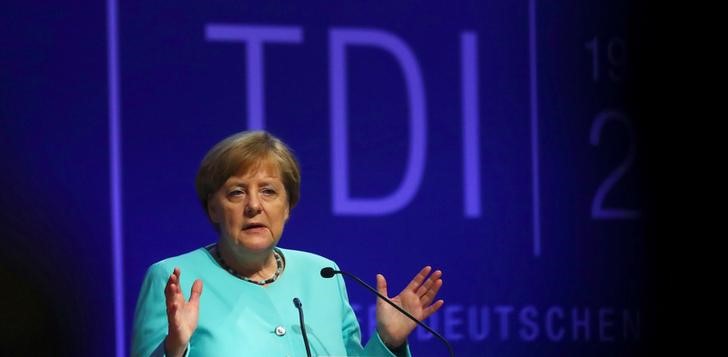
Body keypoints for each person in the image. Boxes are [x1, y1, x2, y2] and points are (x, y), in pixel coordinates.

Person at [131, 131, 444, 356]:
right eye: (236, 192)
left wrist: (387, 342)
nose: (254, 205)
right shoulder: (174, 278)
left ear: (288, 206)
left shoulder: (323, 274)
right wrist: (174, 351)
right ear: (213, 207)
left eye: (268, 191)